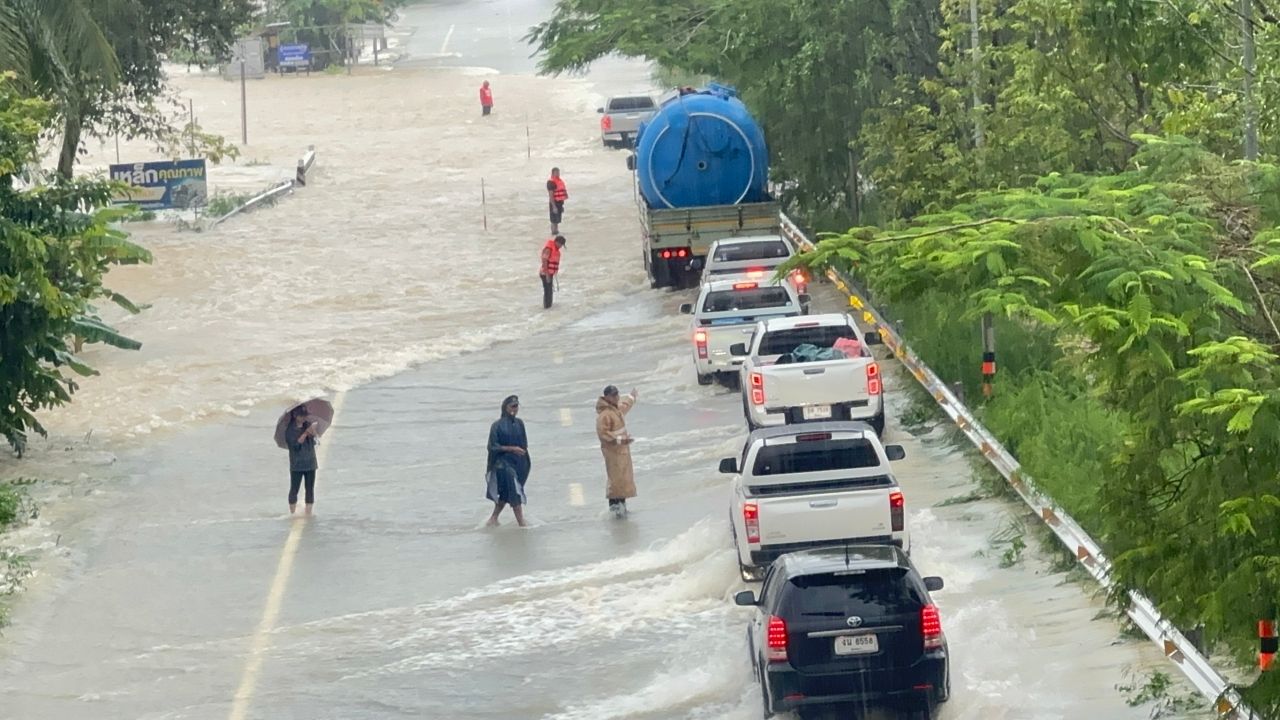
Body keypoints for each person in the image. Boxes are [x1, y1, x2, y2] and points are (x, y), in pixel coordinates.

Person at [486, 395, 531, 527]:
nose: (515, 409)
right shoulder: (496, 426)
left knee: (506, 494)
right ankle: (521, 523)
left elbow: (524, 445)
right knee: (515, 491)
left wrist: (525, 463)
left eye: (517, 406)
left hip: (518, 463)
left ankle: (493, 518)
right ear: (505, 408)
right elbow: (492, 447)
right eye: (512, 406)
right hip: (503, 464)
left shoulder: (520, 423)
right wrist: (511, 449)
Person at [595, 385, 638, 518]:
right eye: (614, 395)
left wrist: (632, 397)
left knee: (622, 482)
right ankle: (616, 511)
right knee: (616, 482)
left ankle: (621, 508)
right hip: (613, 453)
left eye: (617, 395)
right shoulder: (605, 415)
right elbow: (604, 435)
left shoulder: (615, 410)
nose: (617, 397)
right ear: (607, 397)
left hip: (622, 452)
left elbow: (625, 406)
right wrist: (620, 441)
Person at [284, 405, 319, 515]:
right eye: (301, 416)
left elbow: (315, 441)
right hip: (297, 465)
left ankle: (308, 513)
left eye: (305, 416)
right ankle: (292, 513)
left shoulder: (307, 425)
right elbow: (295, 446)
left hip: (310, 462)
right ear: (295, 415)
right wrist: (305, 434)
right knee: (294, 489)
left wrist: (313, 433)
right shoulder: (290, 430)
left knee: (310, 489)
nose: (304, 418)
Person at [539, 235, 566, 309]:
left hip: (549, 273)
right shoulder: (549, 249)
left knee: (549, 290)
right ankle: (547, 308)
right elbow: (544, 260)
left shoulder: (555, 249)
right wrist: (547, 274)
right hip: (545, 273)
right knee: (548, 291)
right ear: (556, 242)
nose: (560, 247)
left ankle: (548, 307)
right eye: (560, 244)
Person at [546, 167, 568, 234]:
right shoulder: (551, 182)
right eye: (556, 173)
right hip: (554, 203)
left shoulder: (559, 181)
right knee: (553, 221)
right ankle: (553, 233)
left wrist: (562, 206)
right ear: (552, 173)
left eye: (558, 172)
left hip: (559, 203)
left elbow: (561, 196)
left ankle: (556, 233)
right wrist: (554, 206)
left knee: (557, 220)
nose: (558, 174)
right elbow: (551, 195)